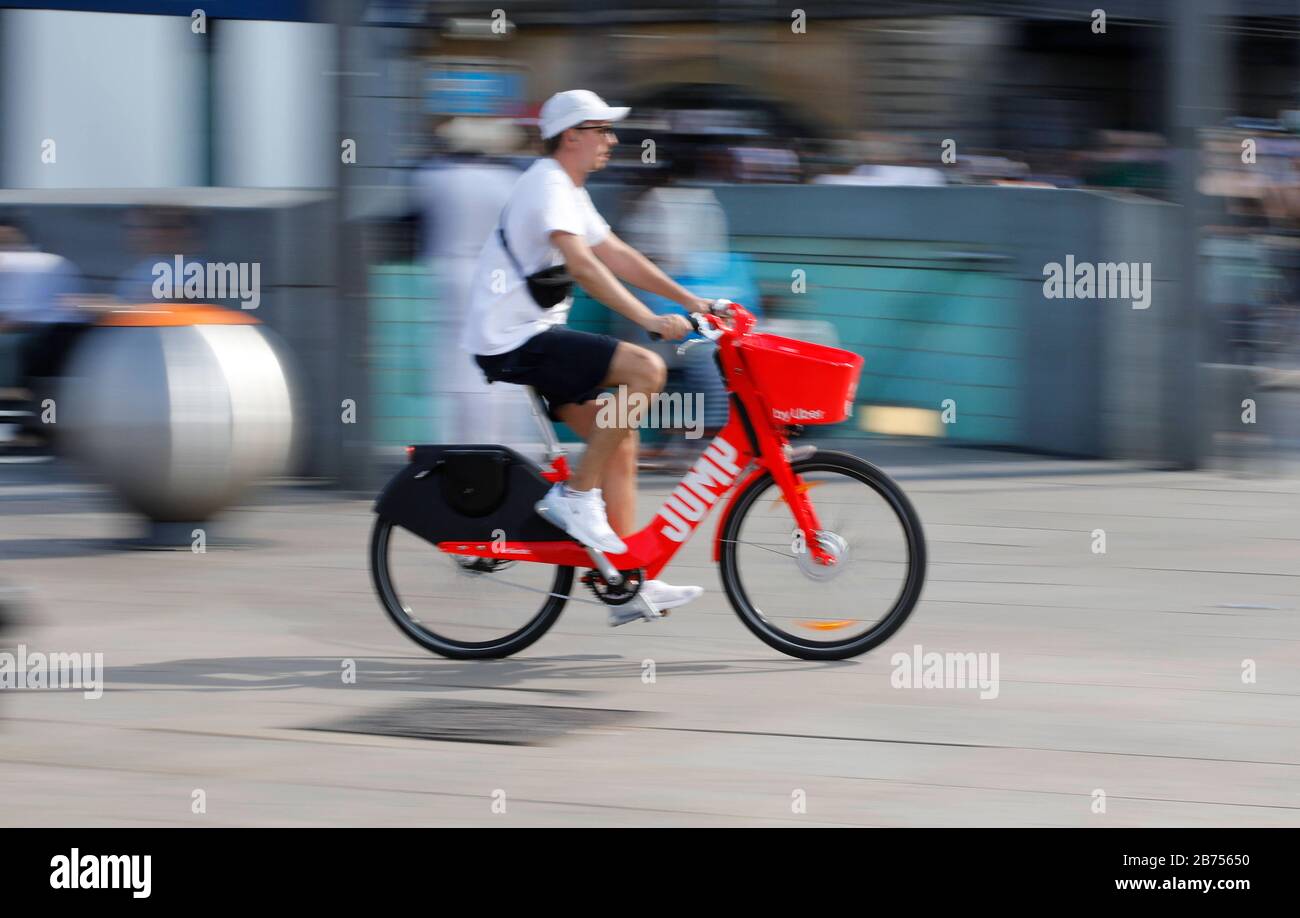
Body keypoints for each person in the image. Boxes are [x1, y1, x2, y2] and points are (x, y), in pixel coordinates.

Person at [460, 90, 717, 615]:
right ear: (572, 135)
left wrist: (694, 301)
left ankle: (626, 582)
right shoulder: (547, 183)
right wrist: (648, 321)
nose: (612, 140)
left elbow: (618, 254)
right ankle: (575, 498)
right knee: (646, 368)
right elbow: (582, 264)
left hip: (531, 336)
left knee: (619, 438)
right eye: (602, 129)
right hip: (514, 340)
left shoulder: (569, 189)